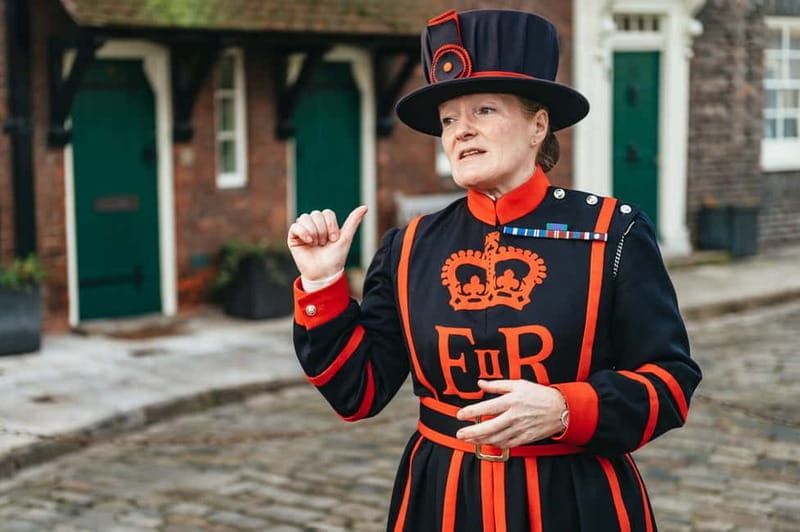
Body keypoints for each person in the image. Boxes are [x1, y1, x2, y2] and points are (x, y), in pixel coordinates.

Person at [287, 8, 701, 532]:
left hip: (573, 500)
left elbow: (670, 382)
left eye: (484, 110)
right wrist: (322, 283)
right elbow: (358, 392)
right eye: (448, 120)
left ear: (538, 125)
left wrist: (565, 408)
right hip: (442, 500)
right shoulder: (408, 247)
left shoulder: (611, 232)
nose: (462, 131)